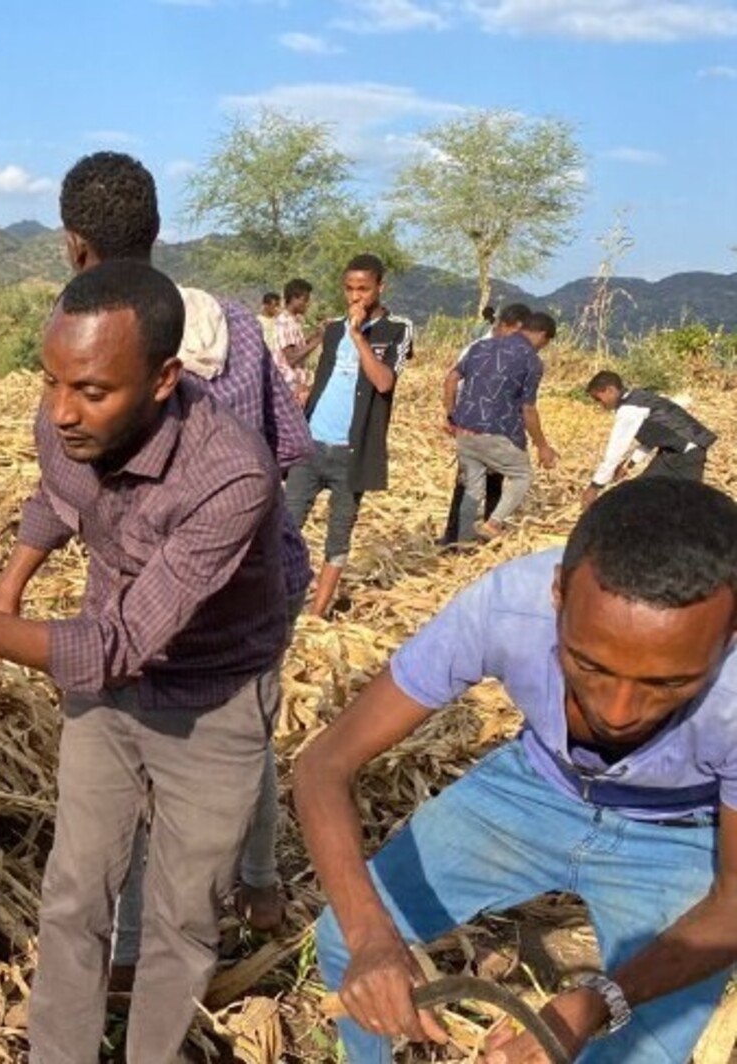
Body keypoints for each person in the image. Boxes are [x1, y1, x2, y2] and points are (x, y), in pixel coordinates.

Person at [0, 260, 288, 1064]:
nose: (62, 411)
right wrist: (8, 586)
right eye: (51, 380)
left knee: (185, 916)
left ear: (165, 378)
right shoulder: (65, 418)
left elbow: (118, 648)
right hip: (106, 698)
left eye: (91, 390)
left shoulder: (230, 475)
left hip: (213, 695)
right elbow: (59, 497)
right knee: (73, 895)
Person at [295, 477, 737, 1063]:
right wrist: (371, 938)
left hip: (679, 831)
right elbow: (325, 762)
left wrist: (598, 999)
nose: (618, 711)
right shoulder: (507, 604)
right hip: (535, 787)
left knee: (645, 1045)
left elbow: (733, 904)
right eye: (589, 664)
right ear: (558, 594)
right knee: (343, 941)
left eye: (670, 683)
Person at [58, 151, 313, 950]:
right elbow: (293, 448)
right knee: (241, 730)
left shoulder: (87, 333)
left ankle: (131, 951)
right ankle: (262, 889)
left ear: (73, 246)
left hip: (158, 588)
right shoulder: (233, 320)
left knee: (137, 751)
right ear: (158, 231)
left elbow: (79, 489)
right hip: (260, 582)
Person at [283, 254, 411, 618]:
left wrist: (358, 337)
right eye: (350, 289)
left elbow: (384, 382)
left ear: (380, 288)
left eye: (364, 289)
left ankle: (317, 611)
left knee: (338, 535)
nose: (356, 297)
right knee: (287, 525)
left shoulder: (396, 330)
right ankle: (275, 600)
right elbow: (323, 379)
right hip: (312, 445)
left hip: (351, 453)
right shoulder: (334, 328)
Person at [442, 309, 560, 541]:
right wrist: (542, 446)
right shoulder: (531, 361)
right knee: (522, 475)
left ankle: (463, 541)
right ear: (543, 335)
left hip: (465, 430)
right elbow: (528, 409)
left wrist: (451, 414)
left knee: (473, 488)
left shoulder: (480, 347)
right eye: (545, 343)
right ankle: (494, 524)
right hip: (497, 431)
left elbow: (451, 379)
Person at [583, 370, 717, 506]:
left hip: (686, 456)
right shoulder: (639, 397)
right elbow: (655, 436)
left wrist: (595, 486)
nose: (599, 404)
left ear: (610, 390)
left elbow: (615, 451)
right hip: (673, 453)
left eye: (598, 399)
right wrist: (629, 464)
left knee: (684, 505)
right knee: (642, 494)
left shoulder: (629, 410)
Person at [273, 278, 321, 405]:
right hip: (290, 386)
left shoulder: (294, 320)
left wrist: (315, 336)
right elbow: (291, 358)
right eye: (304, 300)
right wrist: (317, 341)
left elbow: (297, 348)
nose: (307, 304)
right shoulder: (284, 321)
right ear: (294, 298)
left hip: (298, 383)